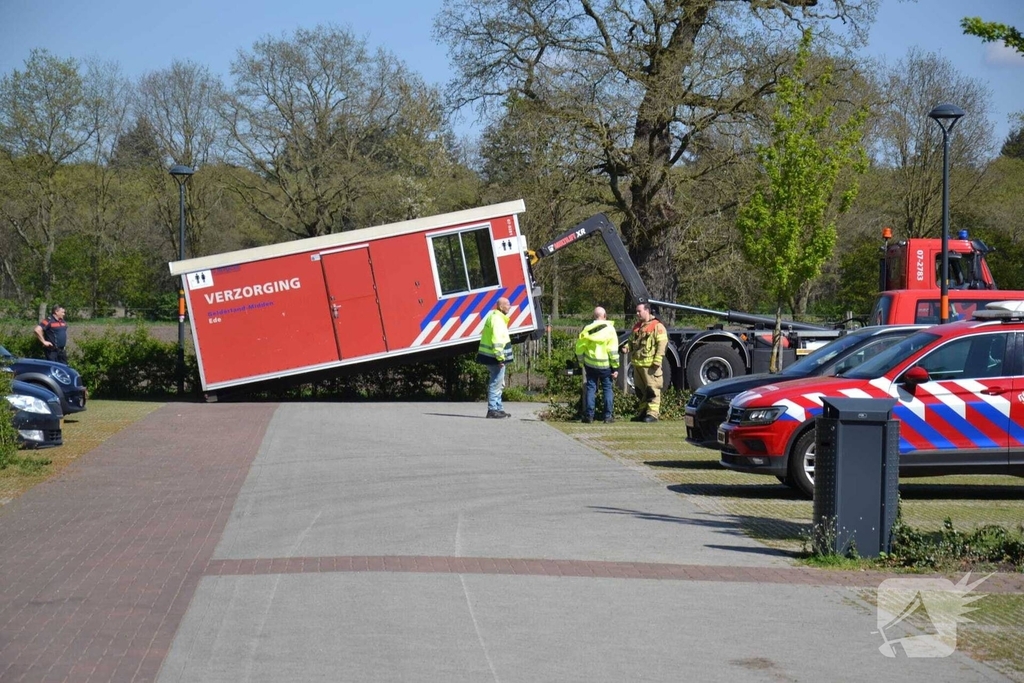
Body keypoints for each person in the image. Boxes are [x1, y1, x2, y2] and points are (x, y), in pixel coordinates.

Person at [575, 307, 619, 423]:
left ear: (594, 316)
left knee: (591, 389)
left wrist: (581, 363)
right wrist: (615, 367)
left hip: (590, 365)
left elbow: (579, 348)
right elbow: (613, 350)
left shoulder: (586, 329)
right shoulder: (610, 329)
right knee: (607, 390)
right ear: (605, 316)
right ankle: (607, 416)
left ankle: (589, 416)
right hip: (605, 366)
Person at [627, 302, 668, 422]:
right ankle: (643, 412)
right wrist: (626, 348)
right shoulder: (637, 326)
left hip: (650, 365)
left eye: (639, 311)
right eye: (637, 311)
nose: (637, 313)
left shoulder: (657, 326)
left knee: (652, 390)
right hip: (638, 364)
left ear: (647, 311)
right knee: (640, 391)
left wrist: (657, 360)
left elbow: (662, 344)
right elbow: (631, 342)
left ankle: (653, 414)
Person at [476, 296, 512, 419]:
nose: (510, 306)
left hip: (491, 356)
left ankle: (498, 408)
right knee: (496, 382)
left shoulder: (496, 317)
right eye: (507, 304)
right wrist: (500, 358)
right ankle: (492, 410)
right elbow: (497, 340)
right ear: (501, 307)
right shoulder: (497, 319)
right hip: (494, 357)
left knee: (499, 383)